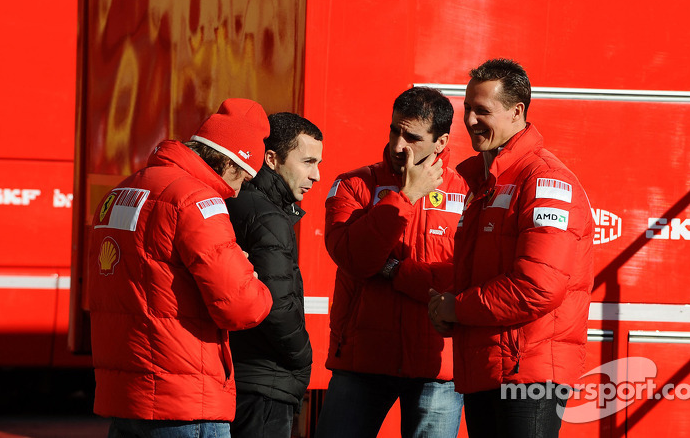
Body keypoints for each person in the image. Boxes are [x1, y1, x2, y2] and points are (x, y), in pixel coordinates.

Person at [87, 98, 275, 438]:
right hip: (183, 400)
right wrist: (254, 279)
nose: (237, 192)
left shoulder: (122, 191)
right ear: (232, 163)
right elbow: (241, 306)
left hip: (126, 395)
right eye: (244, 179)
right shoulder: (198, 201)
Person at [428, 59, 594, 438]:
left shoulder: (544, 180)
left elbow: (538, 287)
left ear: (518, 111)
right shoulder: (482, 184)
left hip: (528, 374)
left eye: (482, 110)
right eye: (467, 108)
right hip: (488, 367)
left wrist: (459, 306)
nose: (469, 120)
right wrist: (450, 306)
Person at [315, 87, 468, 438]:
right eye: (394, 131)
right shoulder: (354, 185)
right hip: (361, 361)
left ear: (440, 142)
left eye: (412, 137)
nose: (399, 145)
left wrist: (396, 271)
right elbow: (355, 258)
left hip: (437, 367)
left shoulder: (466, 193)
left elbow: (464, 277)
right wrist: (406, 197)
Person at [225, 112, 324, 438]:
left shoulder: (239, 201)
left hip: (237, 376)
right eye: (308, 162)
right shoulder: (268, 216)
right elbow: (276, 304)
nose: (317, 175)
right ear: (271, 158)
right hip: (265, 382)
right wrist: (302, 359)